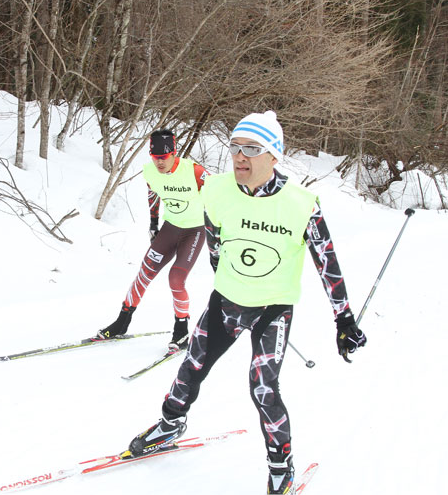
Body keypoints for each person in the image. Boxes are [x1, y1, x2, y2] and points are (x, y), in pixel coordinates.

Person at [125, 112, 367, 494]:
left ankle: (280, 464)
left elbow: (328, 264)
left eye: (252, 149)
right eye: (235, 147)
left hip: (274, 308)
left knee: (263, 385)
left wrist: (345, 320)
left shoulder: (302, 204)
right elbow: (215, 241)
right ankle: (170, 425)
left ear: (274, 155)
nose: (240, 156)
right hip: (227, 301)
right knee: (192, 364)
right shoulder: (216, 190)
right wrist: (228, 275)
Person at [95, 129, 209, 350]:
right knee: (145, 272)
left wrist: (221, 231)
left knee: (176, 278)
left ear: (173, 153)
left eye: (164, 158)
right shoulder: (149, 172)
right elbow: (153, 194)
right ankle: (121, 323)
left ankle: (181, 330)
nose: (159, 162)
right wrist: (154, 223)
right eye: (155, 158)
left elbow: (220, 195)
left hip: (194, 231)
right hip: (170, 227)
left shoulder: (194, 171)